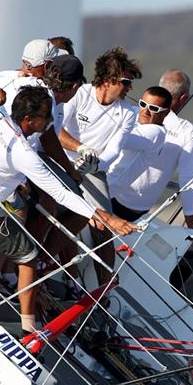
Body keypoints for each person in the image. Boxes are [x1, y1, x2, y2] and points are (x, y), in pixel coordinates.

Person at [0, 86, 136, 336]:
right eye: (45, 117)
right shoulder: (22, 152)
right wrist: (102, 215)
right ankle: (29, 328)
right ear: (28, 120)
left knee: (20, 209)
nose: (50, 122)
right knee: (29, 256)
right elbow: (60, 193)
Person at [58, 47, 142, 282]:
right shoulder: (80, 93)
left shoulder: (127, 112)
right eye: (126, 81)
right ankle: (66, 273)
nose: (129, 88)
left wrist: (95, 164)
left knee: (103, 227)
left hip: (94, 170)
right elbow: (57, 130)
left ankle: (105, 286)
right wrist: (81, 149)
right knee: (61, 214)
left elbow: (115, 148)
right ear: (108, 80)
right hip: (64, 160)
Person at [154, 70, 193, 239]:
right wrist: (190, 219)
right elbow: (186, 176)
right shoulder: (186, 130)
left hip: (107, 194)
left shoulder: (137, 112)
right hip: (135, 211)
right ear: (183, 98)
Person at [96, 86, 171, 220]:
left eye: (153, 109)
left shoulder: (156, 133)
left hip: (107, 187)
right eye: (143, 104)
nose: (145, 112)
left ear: (165, 113)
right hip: (95, 173)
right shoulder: (136, 113)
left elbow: (118, 139)